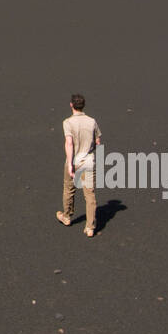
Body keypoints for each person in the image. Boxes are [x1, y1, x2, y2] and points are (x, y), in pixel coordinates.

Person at [57, 94, 102, 237]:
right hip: (88, 161)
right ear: (83, 106)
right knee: (89, 194)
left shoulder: (68, 122)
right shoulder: (92, 121)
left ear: (71, 105)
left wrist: (70, 164)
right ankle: (90, 227)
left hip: (74, 160)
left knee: (69, 189)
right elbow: (98, 141)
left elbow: (69, 143)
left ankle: (67, 216)